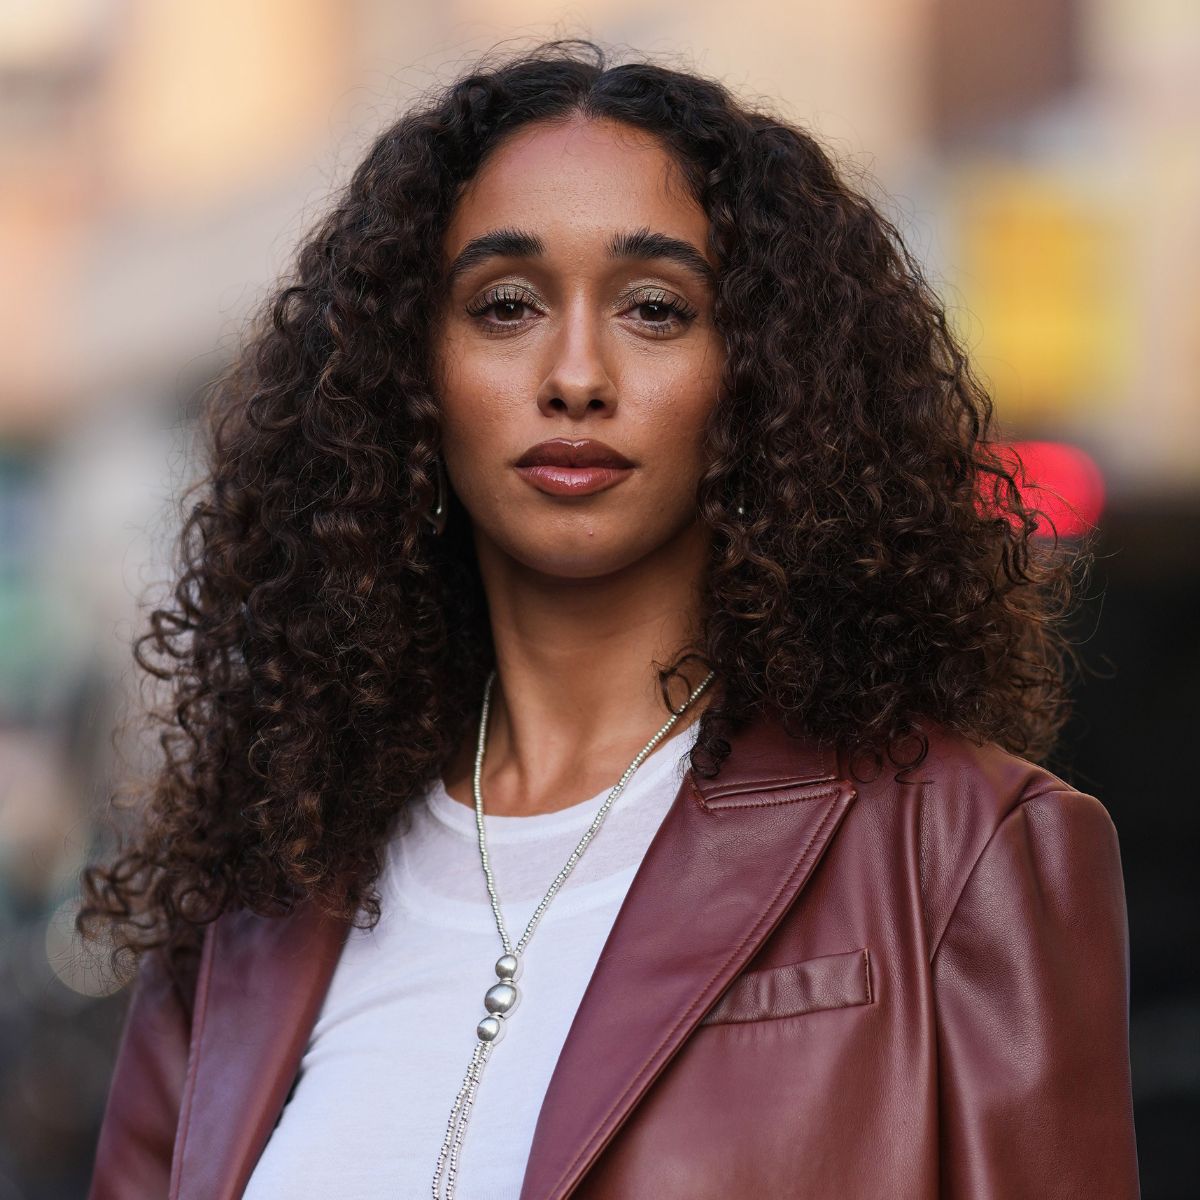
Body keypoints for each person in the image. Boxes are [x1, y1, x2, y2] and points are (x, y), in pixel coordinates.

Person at [79, 38, 1140, 1200]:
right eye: (506, 305)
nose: (575, 372)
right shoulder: (253, 912)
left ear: (759, 378)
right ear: (409, 377)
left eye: (653, 307)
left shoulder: (960, 849)